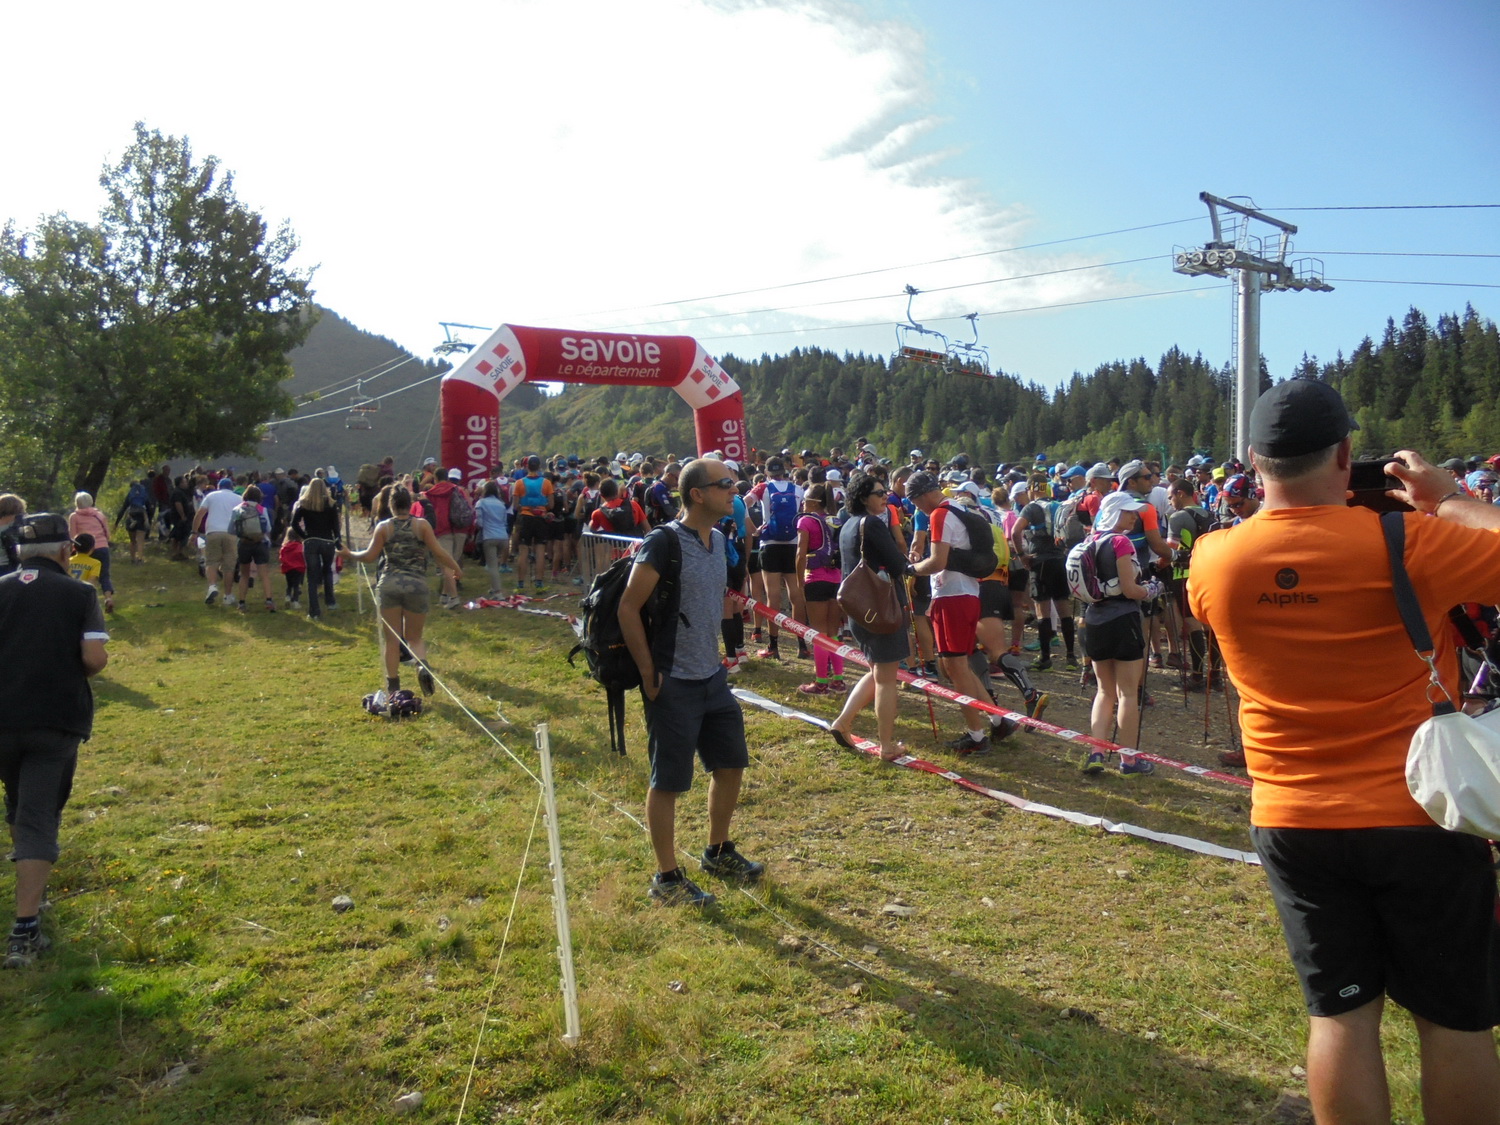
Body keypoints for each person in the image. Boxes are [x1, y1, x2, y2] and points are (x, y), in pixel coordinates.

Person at [1190, 379, 1500, 1125]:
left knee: (1340, 1015)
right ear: (1345, 454)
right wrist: (1448, 497)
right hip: (1423, 812)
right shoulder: (1412, 541)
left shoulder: (1213, 559)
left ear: (1255, 461)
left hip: (1293, 818)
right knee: (1454, 1020)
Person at [618, 458, 763, 907]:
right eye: (725, 485)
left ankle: (717, 851)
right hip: (672, 680)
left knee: (731, 764)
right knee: (669, 781)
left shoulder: (718, 540)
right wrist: (649, 672)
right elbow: (628, 608)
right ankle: (666, 878)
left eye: (735, 484)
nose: (734, 491)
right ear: (697, 494)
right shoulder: (662, 542)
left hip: (712, 676)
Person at [0, 514, 109, 969]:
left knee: (17, 801)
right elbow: (94, 658)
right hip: (55, 717)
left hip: (3, 716)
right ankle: (25, 928)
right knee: (39, 816)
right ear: (66, 551)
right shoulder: (79, 593)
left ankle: (34, 896)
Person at [908, 470, 1018, 754]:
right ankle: (998, 720)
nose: (916, 507)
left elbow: (937, 562)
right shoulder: (959, 508)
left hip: (952, 597)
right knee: (960, 666)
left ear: (922, 495)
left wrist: (910, 570)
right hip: (968, 593)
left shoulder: (939, 514)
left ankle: (976, 736)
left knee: (955, 668)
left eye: (915, 501)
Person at [339, 486, 462, 706]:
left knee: (392, 640)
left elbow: (369, 556)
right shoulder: (422, 525)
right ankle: (421, 665)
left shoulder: (384, 527)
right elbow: (438, 552)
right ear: (410, 503)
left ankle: (393, 687)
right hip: (416, 585)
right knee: (414, 637)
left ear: (390, 505)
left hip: (389, 585)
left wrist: (349, 554)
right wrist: (455, 568)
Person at [829, 471, 914, 761]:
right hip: (881, 611)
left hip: (859, 610)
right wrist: (913, 564)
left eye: (885, 492)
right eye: (879, 493)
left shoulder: (848, 525)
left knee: (877, 672)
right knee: (887, 679)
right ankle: (887, 746)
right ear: (864, 498)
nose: (885, 497)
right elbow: (897, 564)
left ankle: (843, 723)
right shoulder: (873, 524)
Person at [1076, 491, 1158, 776]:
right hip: (1123, 621)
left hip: (1094, 620)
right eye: (1129, 512)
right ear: (1115, 513)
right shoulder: (1121, 542)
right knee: (1127, 694)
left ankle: (1096, 753)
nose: (1134, 517)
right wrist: (1152, 589)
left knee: (1104, 691)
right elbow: (1130, 589)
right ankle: (1129, 760)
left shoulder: (1090, 540)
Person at [794, 485, 847, 694]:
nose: (802, 503)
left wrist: (799, 582)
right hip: (836, 579)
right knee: (833, 633)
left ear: (813, 501)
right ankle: (838, 680)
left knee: (819, 634)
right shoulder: (835, 520)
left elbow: (801, 553)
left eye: (805, 499)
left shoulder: (806, 521)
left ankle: (821, 682)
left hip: (815, 578)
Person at [290, 477, 342, 620]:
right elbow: (335, 526)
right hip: (327, 541)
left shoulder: (304, 504)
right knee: (327, 571)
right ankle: (330, 601)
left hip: (311, 541)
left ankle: (314, 611)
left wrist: (304, 536)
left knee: (312, 577)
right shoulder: (331, 504)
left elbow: (294, 523)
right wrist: (337, 541)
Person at [191, 478, 242, 608]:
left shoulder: (211, 496)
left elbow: (200, 514)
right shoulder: (238, 498)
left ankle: (212, 586)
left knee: (211, 561)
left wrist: (194, 532)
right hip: (231, 533)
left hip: (212, 531)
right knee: (229, 566)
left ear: (218, 487)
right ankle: (228, 596)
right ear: (231, 487)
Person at [67, 493, 115, 613]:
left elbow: (72, 535)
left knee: (84, 573)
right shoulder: (99, 515)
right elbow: (107, 534)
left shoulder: (74, 516)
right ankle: (108, 598)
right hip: (102, 546)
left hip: (83, 548)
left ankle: (82, 598)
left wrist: (72, 551)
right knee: (104, 575)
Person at [475, 480, 511, 598]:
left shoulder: (481, 503)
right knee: (496, 563)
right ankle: (493, 587)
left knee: (492, 566)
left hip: (489, 536)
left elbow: (480, 522)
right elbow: (505, 521)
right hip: (503, 537)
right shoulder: (501, 504)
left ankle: (497, 592)